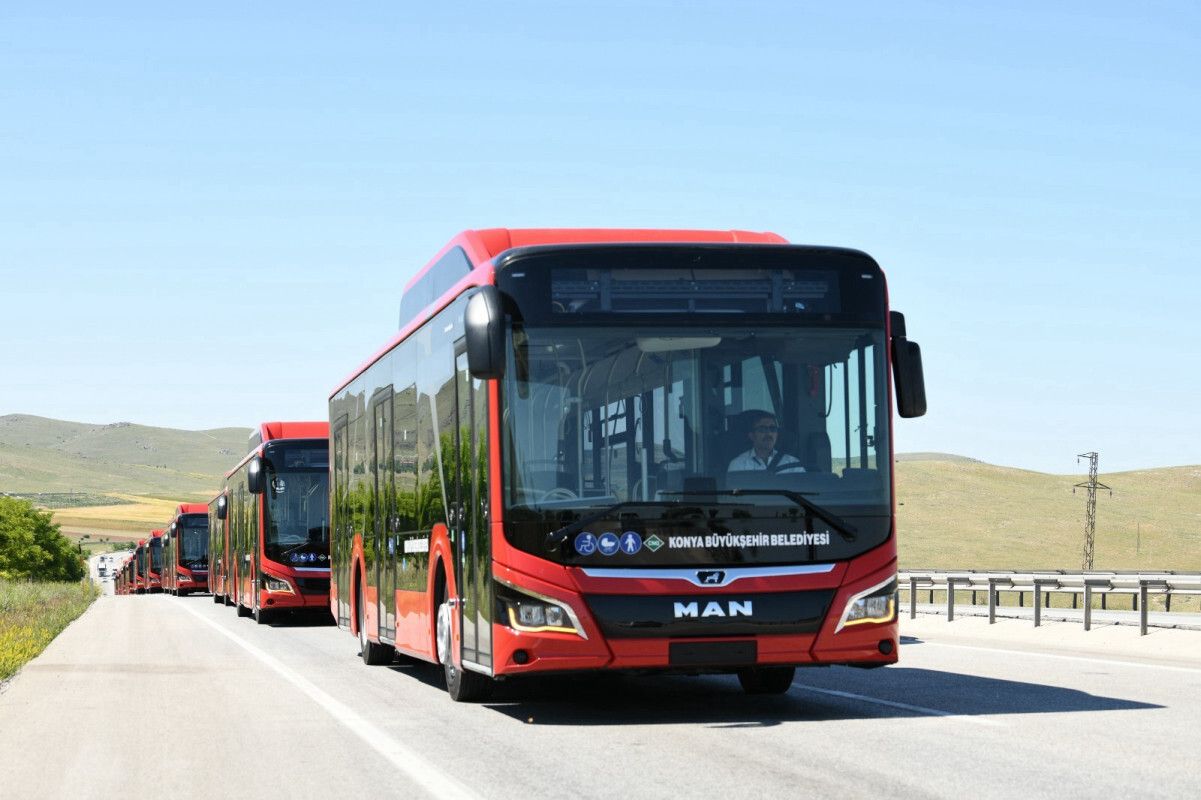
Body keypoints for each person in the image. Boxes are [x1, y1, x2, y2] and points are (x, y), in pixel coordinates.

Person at [727, 412, 804, 473]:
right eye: (762, 429)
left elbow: (801, 491)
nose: (769, 434)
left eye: (772, 429)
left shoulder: (793, 464)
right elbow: (734, 492)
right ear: (752, 436)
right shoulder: (738, 465)